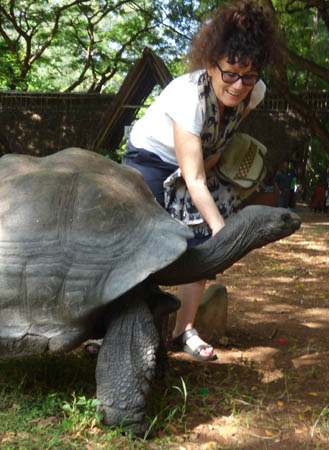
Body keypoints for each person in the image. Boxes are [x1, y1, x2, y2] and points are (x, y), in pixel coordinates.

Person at [123, 1, 283, 361]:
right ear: (211, 64)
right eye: (230, 73)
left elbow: (218, 138)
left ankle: (184, 330)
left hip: (200, 159)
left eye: (249, 76)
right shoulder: (188, 97)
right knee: (141, 245)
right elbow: (191, 178)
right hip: (152, 158)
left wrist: (213, 232)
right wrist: (225, 233)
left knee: (199, 245)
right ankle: (120, 330)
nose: (239, 85)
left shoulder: (254, 93)